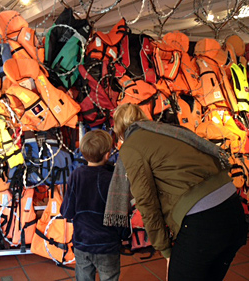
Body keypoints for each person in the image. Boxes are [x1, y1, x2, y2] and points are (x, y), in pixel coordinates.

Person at [104, 103, 247, 281]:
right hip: (234, 211)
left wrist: (165, 250)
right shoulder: (167, 130)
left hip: (203, 222)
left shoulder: (132, 146)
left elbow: (147, 201)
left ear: (119, 129)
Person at [60, 129, 121, 281]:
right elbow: (121, 213)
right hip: (108, 244)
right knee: (110, 277)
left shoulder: (76, 175)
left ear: (83, 152)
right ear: (108, 154)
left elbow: (67, 211)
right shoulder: (112, 177)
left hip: (82, 242)